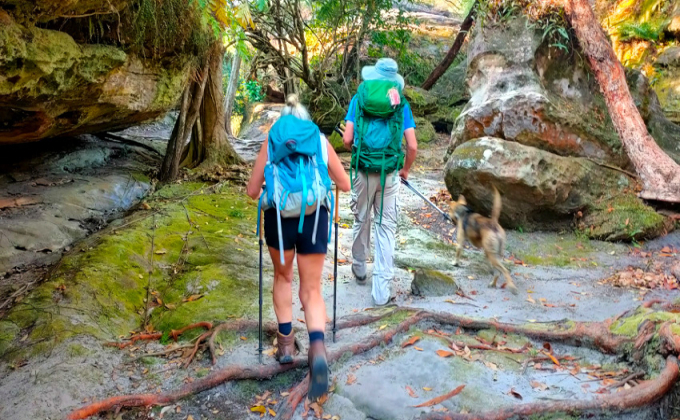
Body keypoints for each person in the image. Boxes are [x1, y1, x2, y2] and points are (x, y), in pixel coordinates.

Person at [247, 95, 350, 401]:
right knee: (312, 289)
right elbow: (344, 184)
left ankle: (285, 344)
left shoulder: (272, 140)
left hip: (279, 219)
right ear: (305, 118)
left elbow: (253, 191)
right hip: (314, 216)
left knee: (283, 279)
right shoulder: (318, 140)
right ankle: (317, 347)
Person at [342, 57, 418, 307]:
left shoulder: (360, 98)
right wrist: (405, 170)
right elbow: (412, 146)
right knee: (386, 226)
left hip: (363, 170)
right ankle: (381, 292)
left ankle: (360, 267)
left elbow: (347, 140)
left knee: (361, 217)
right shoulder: (399, 102)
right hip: (389, 173)